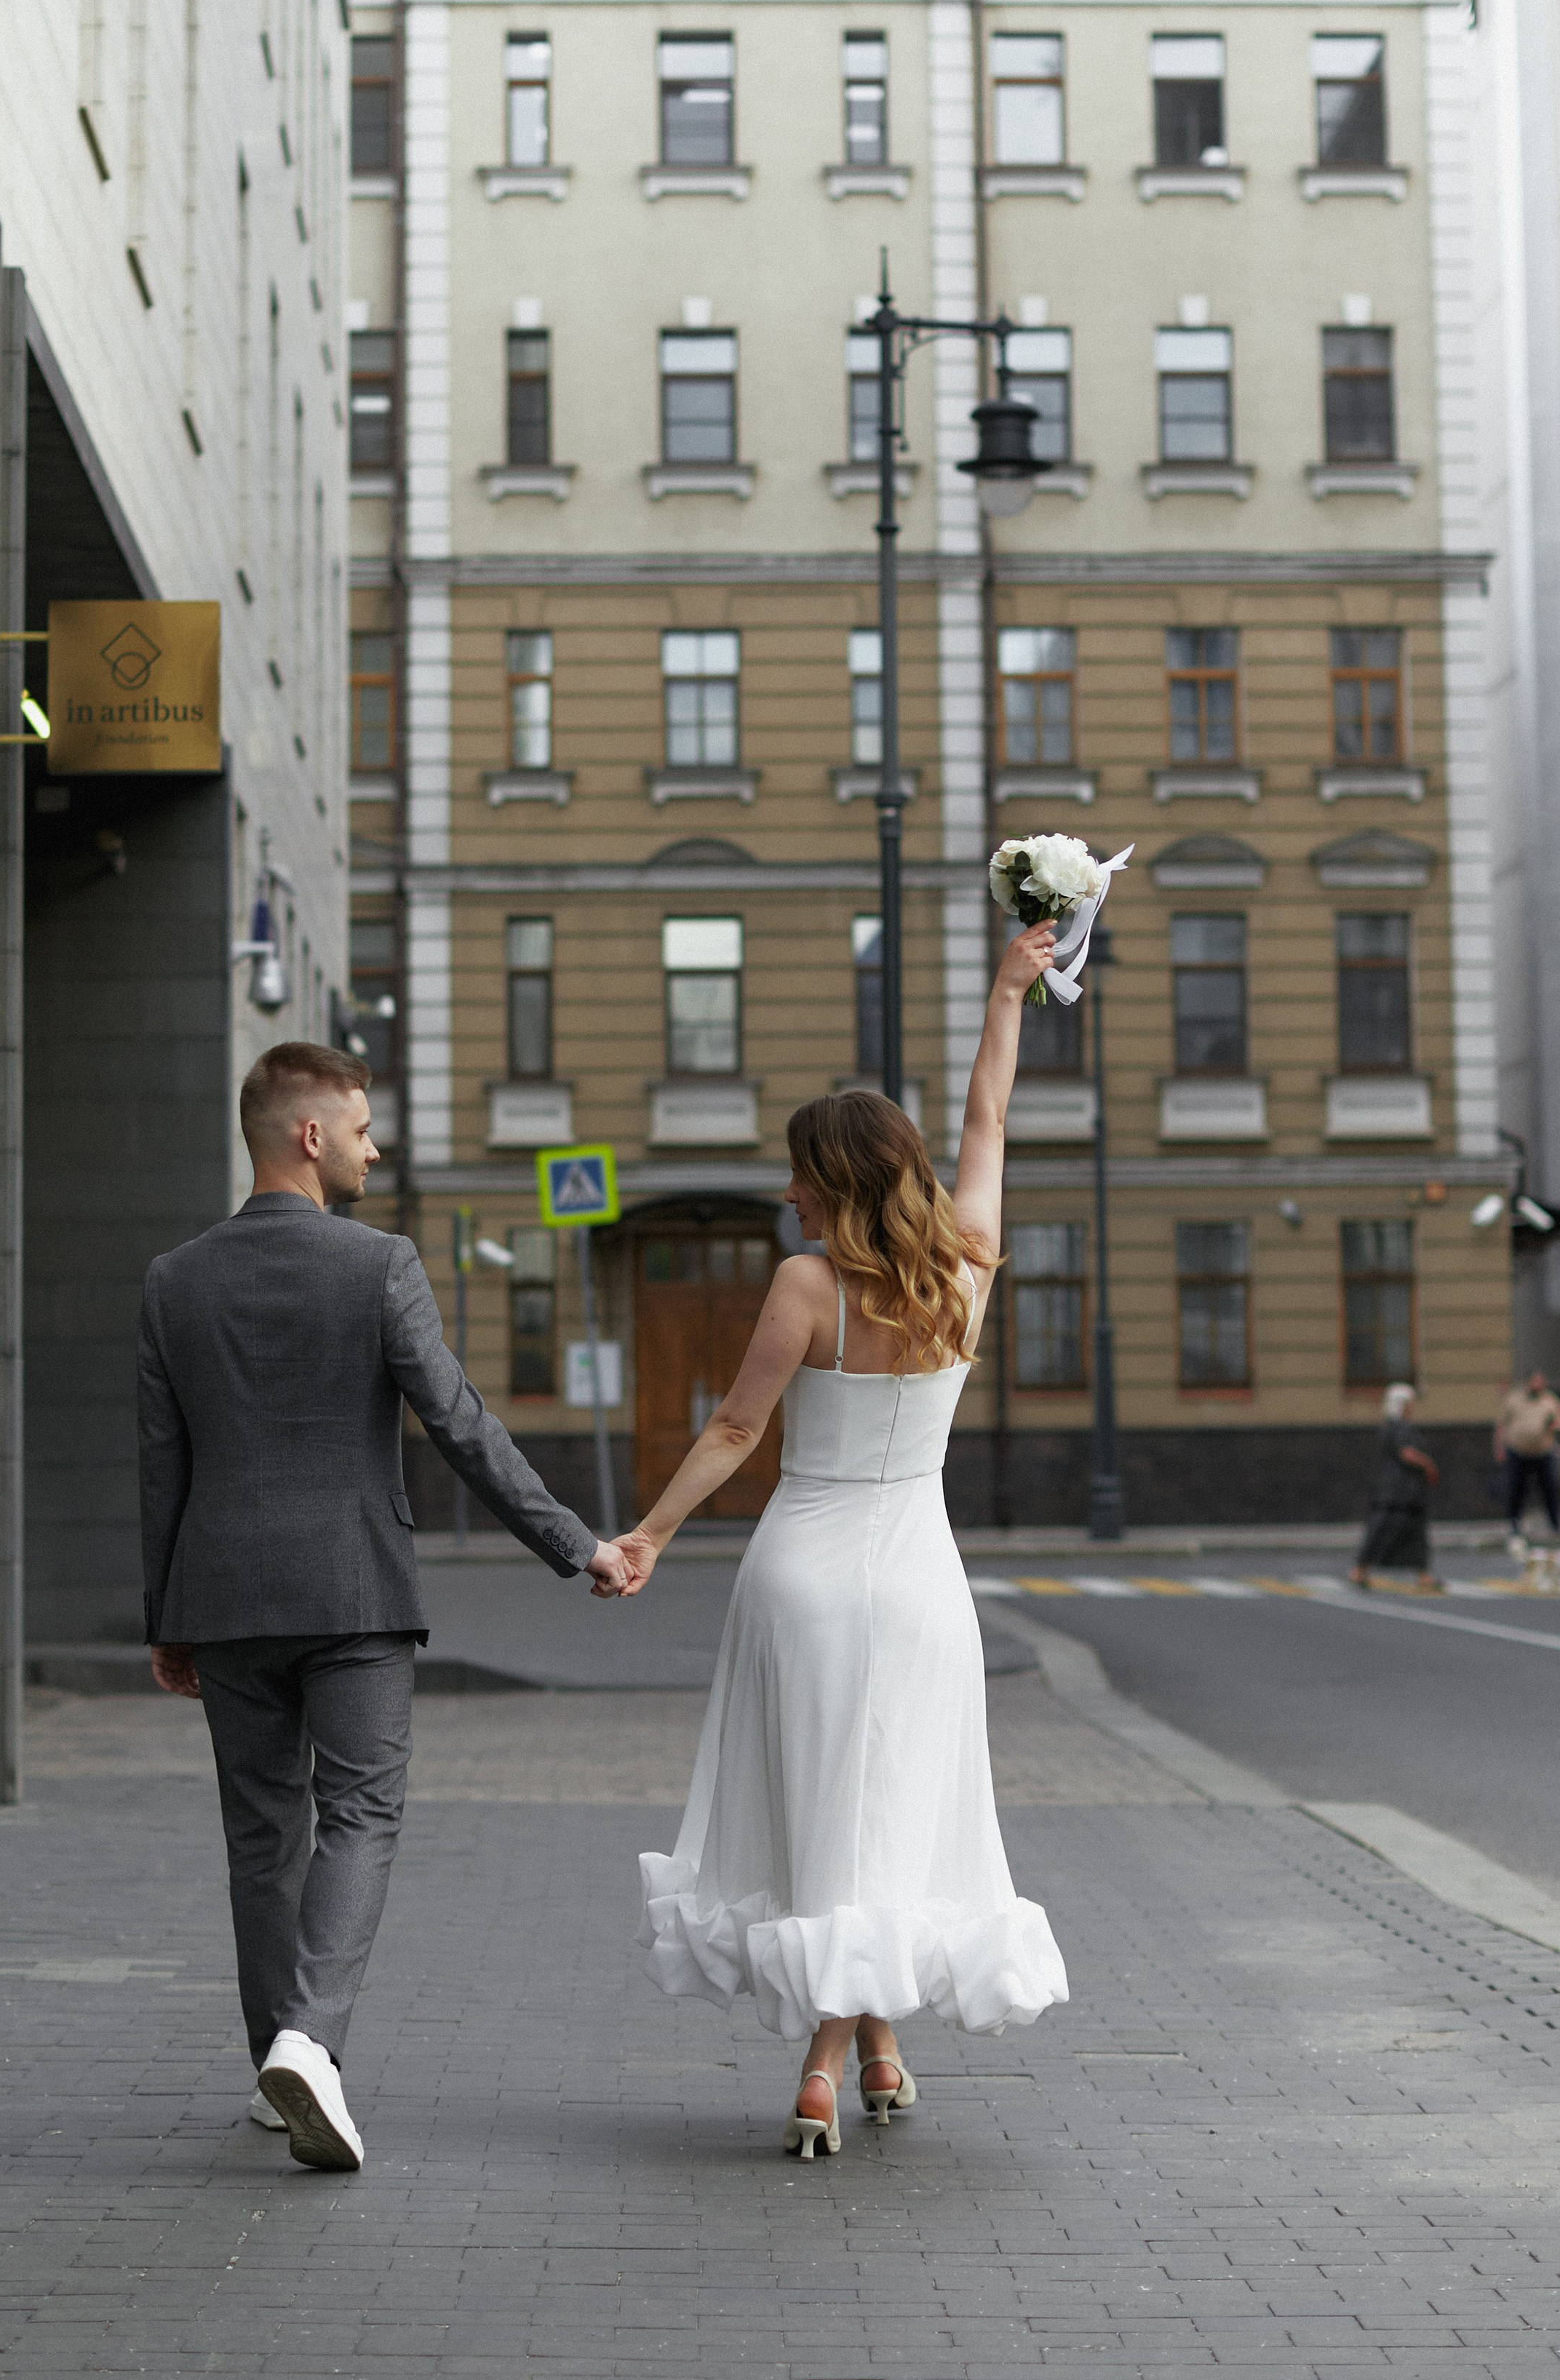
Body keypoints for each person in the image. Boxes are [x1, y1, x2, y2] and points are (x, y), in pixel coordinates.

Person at [612, 925, 1069, 2159]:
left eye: (799, 1175)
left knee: (828, 1813)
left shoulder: (806, 1286)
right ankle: (867, 2047)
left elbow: (732, 1428)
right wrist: (1008, 989)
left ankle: (831, 2056)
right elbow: (989, 1114)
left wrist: (648, 1534)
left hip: (802, 1570)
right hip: (918, 1578)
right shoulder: (963, 1271)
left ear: (832, 1180)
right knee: (889, 1811)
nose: (787, 1192)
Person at [138, 1041, 628, 2173]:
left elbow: (161, 1459)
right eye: (362, 1128)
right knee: (360, 1816)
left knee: (263, 1835)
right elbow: (459, 1425)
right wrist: (577, 1546)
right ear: (310, 1137)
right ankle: (312, 2043)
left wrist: (165, 1610)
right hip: (354, 1593)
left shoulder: (174, 1280)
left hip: (223, 1593)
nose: (376, 1147)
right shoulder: (379, 1265)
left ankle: (278, 2069)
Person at [1349, 1382, 1441, 1592]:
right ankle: (1359, 1570)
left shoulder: (1397, 1426)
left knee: (1415, 1533)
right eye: (1409, 1404)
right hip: (1398, 1492)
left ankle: (1423, 1575)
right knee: (1384, 1530)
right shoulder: (1397, 1426)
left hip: (1407, 1493)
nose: (1412, 1408)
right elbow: (1406, 1453)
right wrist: (1428, 1464)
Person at [1492, 1368, 1560, 1554]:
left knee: (1549, 1488)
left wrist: (1553, 1424)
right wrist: (1499, 1448)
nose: (1537, 1386)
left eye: (1540, 1382)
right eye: (1534, 1382)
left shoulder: (1549, 1400)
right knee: (1517, 1489)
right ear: (1528, 1383)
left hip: (1542, 1452)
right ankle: (1515, 1525)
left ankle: (1556, 1526)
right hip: (1519, 1451)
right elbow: (1502, 1424)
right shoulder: (1515, 1399)